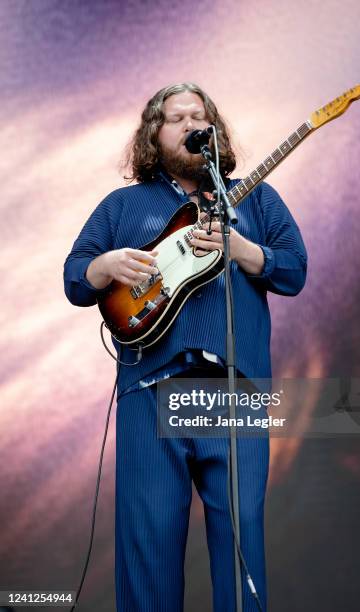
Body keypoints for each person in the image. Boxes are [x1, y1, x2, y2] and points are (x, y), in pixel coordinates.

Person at [64, 82, 307, 612]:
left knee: (242, 546)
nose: (191, 123)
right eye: (176, 117)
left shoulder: (256, 198)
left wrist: (242, 249)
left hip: (235, 391)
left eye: (200, 115)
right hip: (150, 386)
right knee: (147, 546)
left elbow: (294, 270)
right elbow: (74, 278)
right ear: (153, 136)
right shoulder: (122, 205)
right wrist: (102, 266)